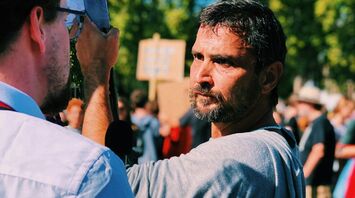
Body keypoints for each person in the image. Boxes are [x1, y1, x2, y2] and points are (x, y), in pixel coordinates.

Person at [86, 0, 305, 197]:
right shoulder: (277, 143)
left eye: (223, 62)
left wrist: (96, 67)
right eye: (198, 57)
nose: (201, 76)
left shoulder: (241, 156)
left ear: (269, 77)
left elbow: (102, 184)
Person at [0, 0, 132, 197]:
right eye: (67, 22)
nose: (72, 38)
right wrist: (97, 69)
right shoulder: (88, 175)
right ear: (38, 26)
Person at [296, 86, 335, 198]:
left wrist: (302, 177)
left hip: (317, 188)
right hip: (312, 185)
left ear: (309, 104)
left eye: (300, 102)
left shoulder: (320, 123)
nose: (298, 106)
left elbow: (318, 151)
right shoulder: (315, 123)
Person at [130, 89, 162, 163]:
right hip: (151, 162)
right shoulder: (153, 122)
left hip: (134, 163)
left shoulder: (130, 121)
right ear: (146, 103)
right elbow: (158, 143)